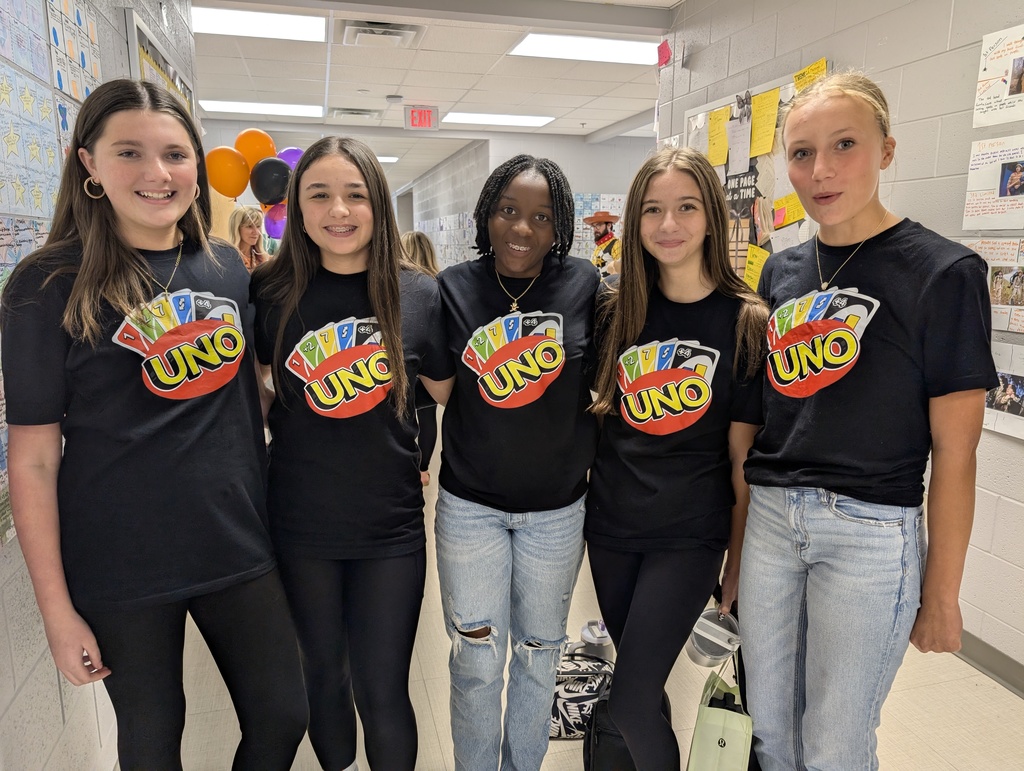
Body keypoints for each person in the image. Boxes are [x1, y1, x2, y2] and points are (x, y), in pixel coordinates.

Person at [0, 78, 307, 769]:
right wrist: (56, 611)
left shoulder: (226, 266)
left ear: (198, 166)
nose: (156, 173)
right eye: (130, 152)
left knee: (285, 715)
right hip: (120, 562)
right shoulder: (45, 285)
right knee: (151, 740)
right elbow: (34, 459)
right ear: (89, 163)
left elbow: (245, 398)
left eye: (175, 153)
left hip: (235, 541)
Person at [740, 72, 998, 771]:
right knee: (767, 731)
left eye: (844, 145)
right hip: (770, 521)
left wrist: (941, 592)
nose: (820, 171)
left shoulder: (945, 272)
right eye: (801, 153)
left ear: (886, 149)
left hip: (868, 533)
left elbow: (957, 452)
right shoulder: (782, 273)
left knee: (834, 745)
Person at [251, 137, 454, 771]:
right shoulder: (268, 291)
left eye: (355, 194)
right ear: (297, 207)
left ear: (378, 205)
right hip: (299, 526)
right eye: (320, 195)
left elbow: (450, 392)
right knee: (324, 681)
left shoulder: (418, 294)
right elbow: (250, 397)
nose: (339, 210)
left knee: (382, 688)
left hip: (389, 530)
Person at [586, 146, 768, 770]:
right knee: (646, 688)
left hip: (688, 538)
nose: (670, 224)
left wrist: (736, 563)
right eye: (654, 210)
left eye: (686, 207)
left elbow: (744, 465)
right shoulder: (614, 315)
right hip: (610, 532)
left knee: (629, 701)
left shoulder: (746, 322)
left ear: (713, 217)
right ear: (635, 222)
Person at [435, 154, 599, 771]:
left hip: (557, 512)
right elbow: (437, 384)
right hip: (470, 507)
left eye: (540, 217)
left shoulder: (585, 285)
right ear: (486, 214)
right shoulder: (454, 287)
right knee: (476, 658)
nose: (522, 229)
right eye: (508, 211)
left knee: (540, 654)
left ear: (560, 228)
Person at [401, 229, 441, 485]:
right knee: (427, 418)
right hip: (433, 363)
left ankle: (407, 464)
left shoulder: (403, 287)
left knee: (403, 414)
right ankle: (423, 469)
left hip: (408, 361)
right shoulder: (438, 283)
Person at [229, 204, 271, 271]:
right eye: (249, 226)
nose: (256, 232)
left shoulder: (265, 259)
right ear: (237, 228)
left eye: (258, 226)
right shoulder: (227, 258)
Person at [584, 210, 622, 278]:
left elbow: (621, 272)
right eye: (594, 226)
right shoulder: (599, 246)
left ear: (609, 225)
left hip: (608, 287)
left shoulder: (616, 244)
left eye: (598, 225)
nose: (595, 229)